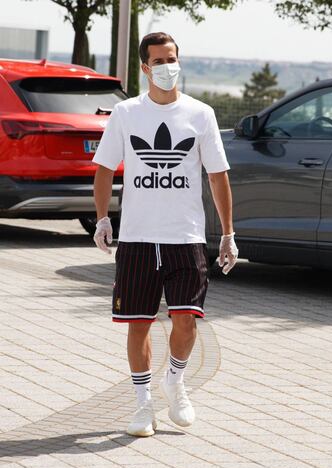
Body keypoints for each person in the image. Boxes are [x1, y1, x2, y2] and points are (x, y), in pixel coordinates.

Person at [92, 32, 238, 437]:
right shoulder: (126, 114)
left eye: (171, 58)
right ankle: (143, 405)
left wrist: (227, 233)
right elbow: (104, 168)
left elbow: (217, 175)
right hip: (138, 238)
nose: (166, 67)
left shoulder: (200, 114)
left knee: (187, 321)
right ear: (144, 67)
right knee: (138, 323)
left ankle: (175, 380)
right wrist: (103, 219)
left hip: (186, 238)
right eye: (158, 61)